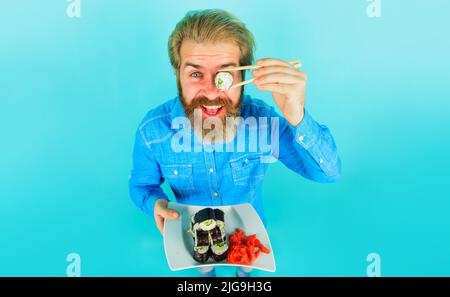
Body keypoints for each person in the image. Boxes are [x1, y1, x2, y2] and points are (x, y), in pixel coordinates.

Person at [129, 9, 342, 277]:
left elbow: (328, 173)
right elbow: (141, 185)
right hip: (193, 236)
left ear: (243, 79)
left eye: (225, 76)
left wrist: (296, 114)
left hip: (248, 235)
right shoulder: (153, 131)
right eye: (196, 75)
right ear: (178, 75)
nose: (210, 92)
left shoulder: (263, 122)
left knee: (246, 269)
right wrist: (156, 204)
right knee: (204, 268)